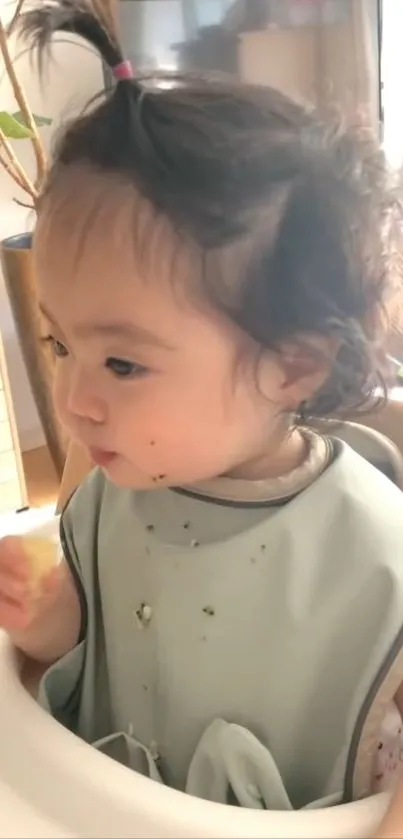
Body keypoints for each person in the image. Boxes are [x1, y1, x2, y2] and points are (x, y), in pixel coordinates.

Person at [1, 0, 403, 818]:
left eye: (122, 361)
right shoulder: (116, 490)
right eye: (58, 344)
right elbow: (96, 640)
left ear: (291, 365)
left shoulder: (373, 555)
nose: (76, 399)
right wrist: (48, 619)